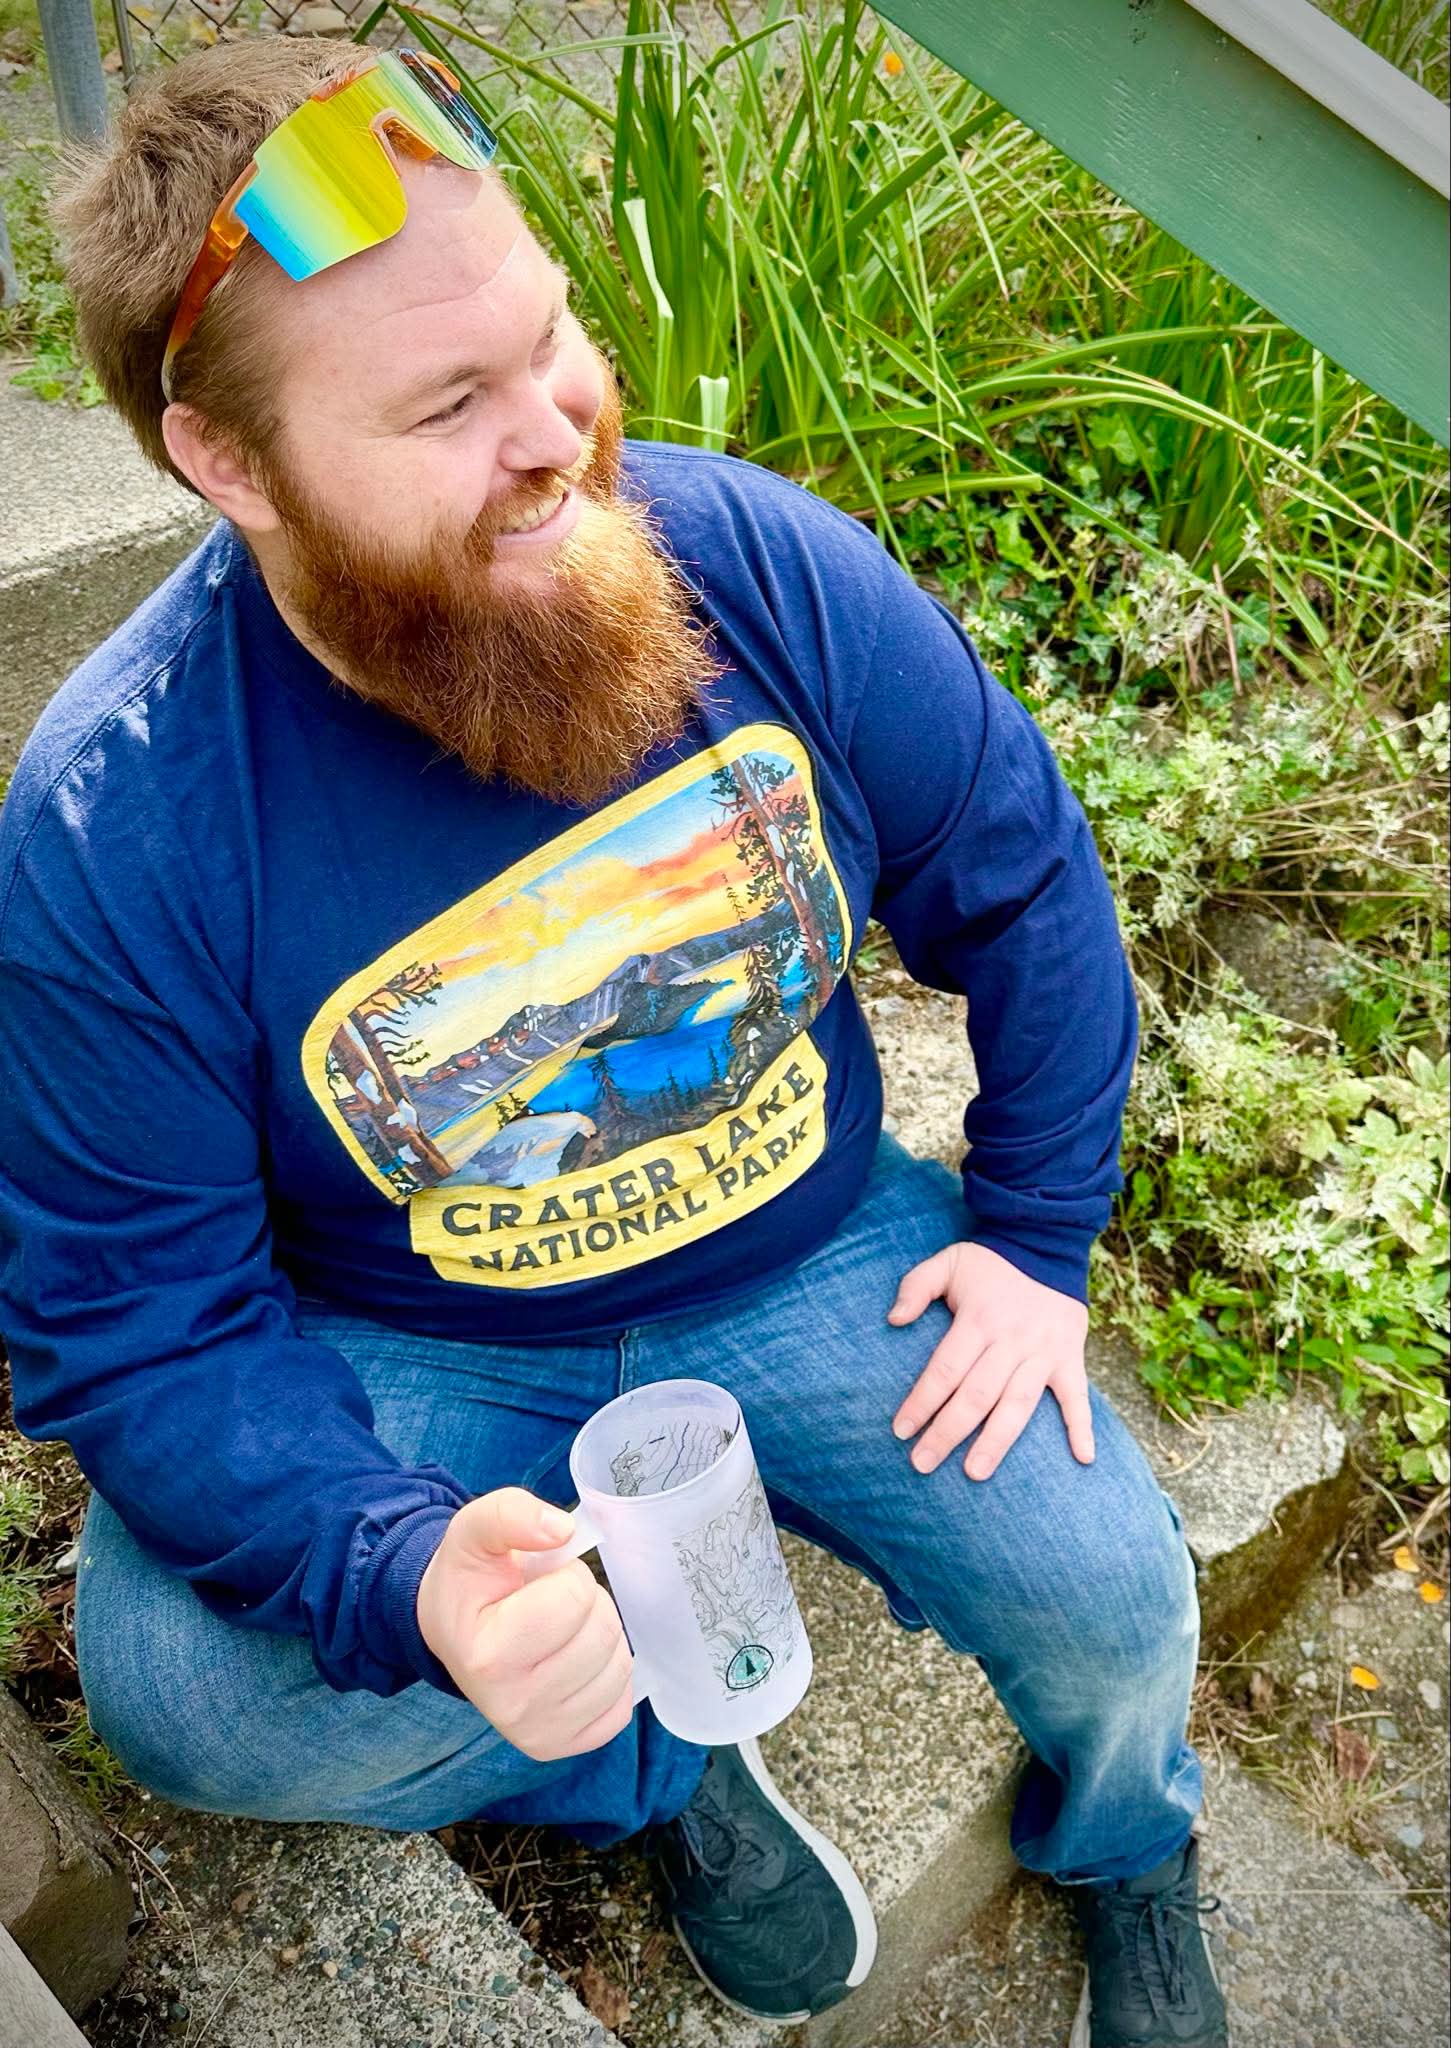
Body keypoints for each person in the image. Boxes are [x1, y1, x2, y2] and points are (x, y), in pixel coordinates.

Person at [0, 38, 1228, 2048]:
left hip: (811, 1253)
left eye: (549, 328)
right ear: (231, 466)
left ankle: (1126, 1840)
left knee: (1109, 1594)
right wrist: (406, 1570)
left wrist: (1032, 1233)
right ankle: (651, 1758)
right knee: (173, 1689)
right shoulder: (116, 816)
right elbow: (138, 1326)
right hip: (421, 1339)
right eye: (446, 404)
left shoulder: (751, 562)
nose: (560, 428)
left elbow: (1017, 872)